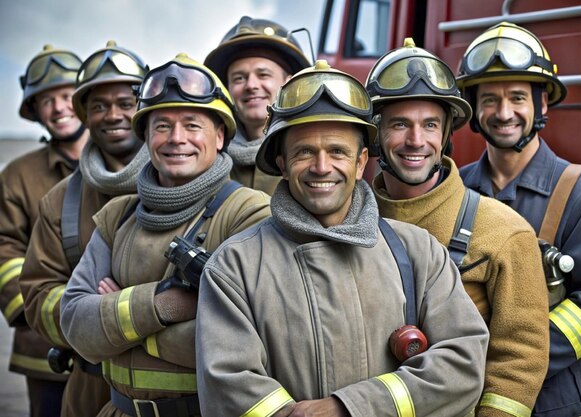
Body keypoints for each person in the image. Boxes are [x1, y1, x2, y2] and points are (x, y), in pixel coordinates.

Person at [196, 60, 489, 417]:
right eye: (305, 152)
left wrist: (347, 407)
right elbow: (228, 387)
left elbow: (462, 364)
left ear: (361, 160)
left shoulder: (419, 252)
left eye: (337, 151)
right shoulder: (233, 267)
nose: (322, 166)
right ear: (282, 163)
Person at [60, 53, 271, 417]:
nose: (176, 139)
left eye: (192, 126)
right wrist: (164, 305)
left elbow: (252, 343)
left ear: (220, 136)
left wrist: (119, 328)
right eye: (161, 127)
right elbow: (76, 324)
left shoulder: (250, 213)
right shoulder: (117, 215)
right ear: (146, 138)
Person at [365, 38, 549, 417]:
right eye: (400, 124)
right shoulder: (347, 224)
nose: (416, 141)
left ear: (447, 134)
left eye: (430, 124)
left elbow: (519, 362)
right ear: (376, 134)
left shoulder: (504, 232)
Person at [456, 22, 581, 417]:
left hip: (554, 403)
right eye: (490, 99)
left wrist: (515, 361)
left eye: (518, 97)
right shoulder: (457, 190)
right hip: (466, 395)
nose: (503, 113)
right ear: (473, 108)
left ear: (542, 105)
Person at [19, 40, 150, 417]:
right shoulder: (59, 201)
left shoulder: (187, 185)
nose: (112, 115)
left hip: (178, 394)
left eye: (126, 103)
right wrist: (98, 314)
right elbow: (37, 295)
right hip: (90, 392)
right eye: (98, 106)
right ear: (85, 116)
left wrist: (130, 306)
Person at [0, 44, 89, 417]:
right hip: (45, 352)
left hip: (119, 346)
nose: (58, 108)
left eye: (67, 95)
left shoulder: (127, 163)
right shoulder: (18, 175)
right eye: (46, 101)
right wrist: (36, 311)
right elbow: (3, 246)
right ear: (35, 112)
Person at [204, 16, 310, 194]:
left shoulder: (314, 150)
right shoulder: (206, 153)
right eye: (239, 78)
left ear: (289, 83)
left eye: (263, 75)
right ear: (227, 88)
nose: (251, 85)